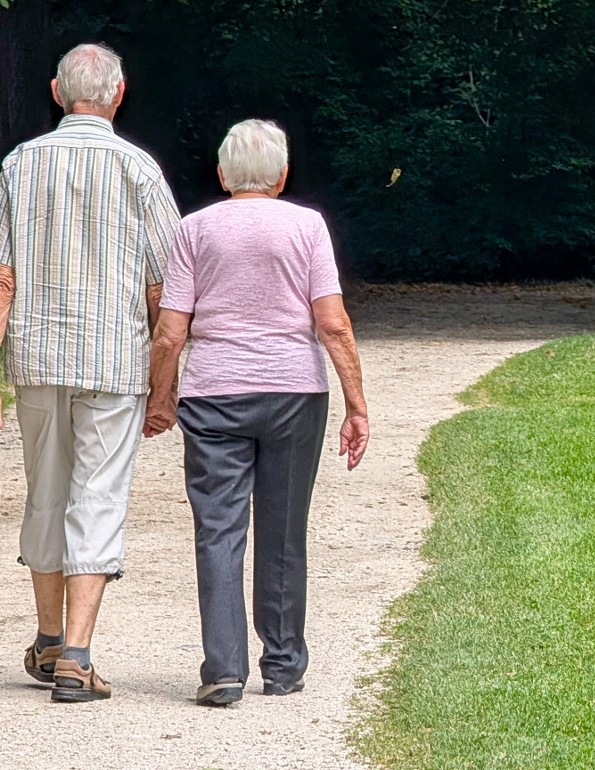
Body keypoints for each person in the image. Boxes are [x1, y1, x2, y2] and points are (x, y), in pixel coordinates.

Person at [0, 43, 180, 703]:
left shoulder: (20, 163)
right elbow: (164, 288)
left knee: (46, 494)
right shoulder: (140, 170)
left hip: (37, 358)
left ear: (57, 91)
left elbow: (1, 275)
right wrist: (164, 380)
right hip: (115, 362)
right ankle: (78, 656)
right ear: (118, 95)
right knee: (98, 498)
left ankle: (49, 637)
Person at [144, 119, 369, 707]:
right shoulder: (307, 227)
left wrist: (162, 397)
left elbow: (170, 333)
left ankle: (222, 669)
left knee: (217, 531)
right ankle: (284, 663)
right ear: (283, 175)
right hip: (295, 393)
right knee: (284, 527)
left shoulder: (193, 229)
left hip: (213, 393)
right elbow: (333, 323)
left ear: (221, 174)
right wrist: (356, 405)